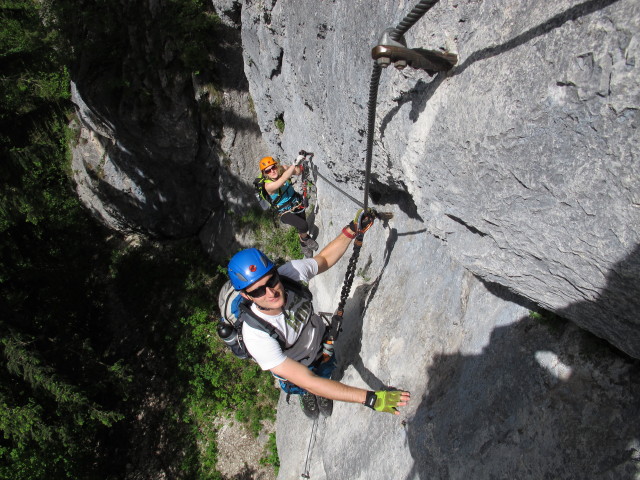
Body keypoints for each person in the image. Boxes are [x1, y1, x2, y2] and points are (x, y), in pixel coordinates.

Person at [226, 210, 410, 418]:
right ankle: (308, 394)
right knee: (305, 385)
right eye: (258, 290)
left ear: (276, 273)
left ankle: (324, 389)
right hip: (297, 368)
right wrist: (370, 398)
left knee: (325, 373)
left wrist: (352, 229)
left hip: (323, 345)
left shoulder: (289, 275)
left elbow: (323, 259)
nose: (270, 292)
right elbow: (309, 380)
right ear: (246, 296)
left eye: (271, 281)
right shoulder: (257, 336)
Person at [258, 154, 318, 257]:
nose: (272, 171)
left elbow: (298, 172)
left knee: (301, 226)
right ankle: (305, 240)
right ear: (265, 174)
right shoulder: (268, 186)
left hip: (296, 201)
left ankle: (302, 243)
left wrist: (296, 167)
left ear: (276, 166)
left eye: (273, 167)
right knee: (303, 225)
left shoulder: (283, 169)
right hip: (284, 211)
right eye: (268, 171)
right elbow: (281, 181)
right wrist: (294, 164)